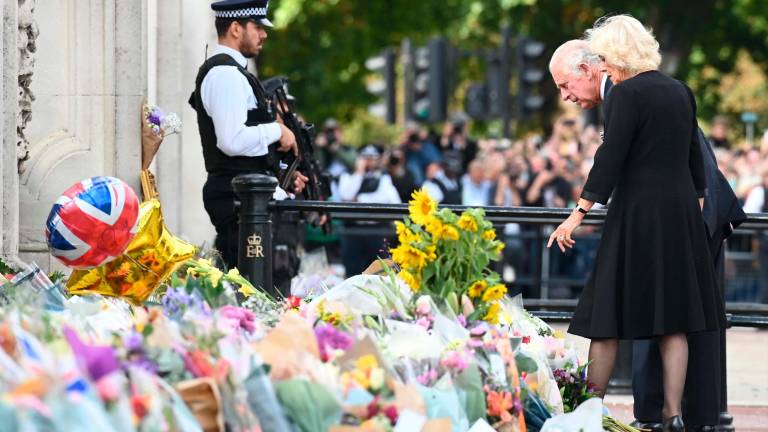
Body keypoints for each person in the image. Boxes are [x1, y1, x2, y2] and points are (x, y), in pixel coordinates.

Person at [550, 37, 746, 432]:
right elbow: (695, 161)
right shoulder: (680, 91)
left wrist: (578, 213)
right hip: (681, 216)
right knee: (673, 322)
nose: (565, 95)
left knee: (606, 316)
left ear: (600, 61)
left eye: (564, 85)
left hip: (637, 214)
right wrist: (693, 209)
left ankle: (586, 413)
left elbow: (611, 157)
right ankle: (672, 416)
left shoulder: (623, 94)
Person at [188, 0, 308, 270]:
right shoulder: (225, 74)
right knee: (252, 291)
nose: (263, 34)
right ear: (234, 28)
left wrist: (282, 175)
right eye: (257, 27)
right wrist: (278, 129)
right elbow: (231, 141)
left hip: (247, 198)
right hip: (238, 202)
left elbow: (247, 149)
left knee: (264, 292)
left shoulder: (235, 73)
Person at [337, 145, 401, 276]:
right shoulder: (348, 175)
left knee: (379, 273)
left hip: (376, 230)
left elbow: (387, 199)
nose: (369, 162)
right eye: (365, 158)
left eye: (373, 158)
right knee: (352, 274)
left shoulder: (383, 177)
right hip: (352, 230)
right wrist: (359, 173)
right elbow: (346, 195)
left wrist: (359, 198)